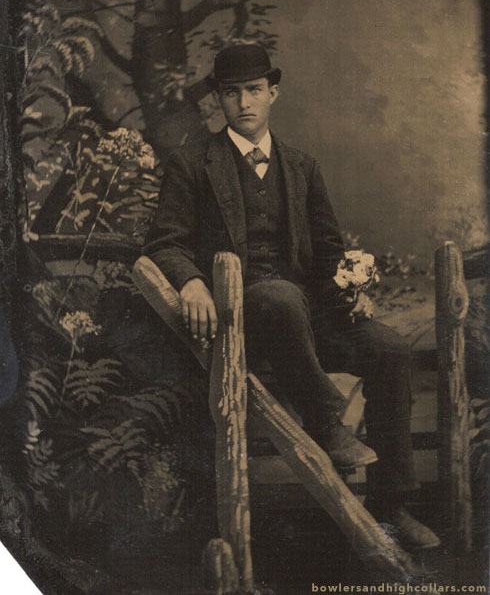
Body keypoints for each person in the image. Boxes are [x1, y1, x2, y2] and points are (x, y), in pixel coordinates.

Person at [144, 44, 440, 550]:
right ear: (219, 99)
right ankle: (326, 423)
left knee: (389, 348)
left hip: (308, 319)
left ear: (273, 92)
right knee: (278, 296)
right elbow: (164, 243)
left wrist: (349, 286)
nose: (244, 103)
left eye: (254, 90)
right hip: (243, 323)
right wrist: (190, 280)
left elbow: (328, 253)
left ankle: (392, 506)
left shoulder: (302, 166)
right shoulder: (192, 164)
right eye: (231, 93)